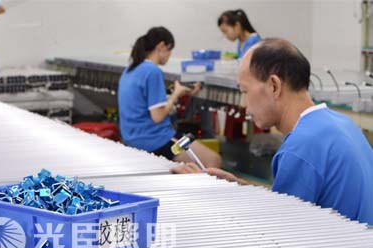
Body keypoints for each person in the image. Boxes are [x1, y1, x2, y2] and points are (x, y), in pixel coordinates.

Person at [174, 39, 373, 225]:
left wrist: (209, 196)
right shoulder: (342, 124)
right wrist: (237, 187)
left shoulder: (300, 148)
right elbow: (288, 206)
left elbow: (278, 230)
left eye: (244, 91)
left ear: (274, 86)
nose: (243, 104)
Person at [118, 27, 222, 168]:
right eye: (169, 50)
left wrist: (178, 92)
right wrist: (175, 95)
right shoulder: (153, 71)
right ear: (161, 46)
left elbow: (144, 102)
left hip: (132, 138)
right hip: (155, 140)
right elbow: (158, 116)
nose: (169, 55)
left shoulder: (130, 69)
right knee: (213, 160)